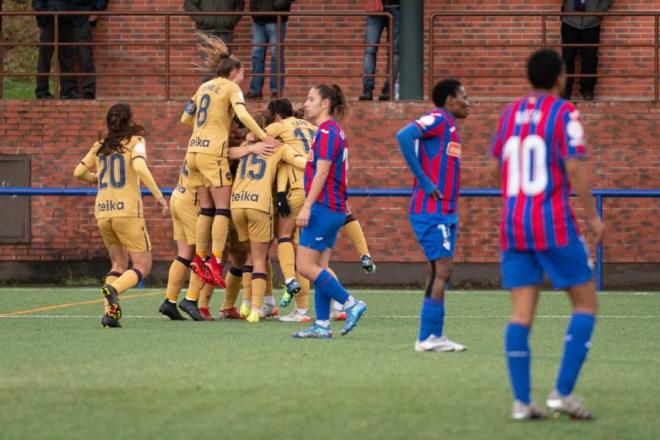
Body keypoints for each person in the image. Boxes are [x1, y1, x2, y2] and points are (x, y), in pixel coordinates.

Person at [489, 49, 604, 420]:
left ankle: (522, 403)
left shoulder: (509, 114)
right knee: (585, 304)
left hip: (513, 222)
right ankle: (562, 394)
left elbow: (494, 169)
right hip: (551, 221)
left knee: (521, 314)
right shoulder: (564, 112)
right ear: (560, 77)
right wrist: (593, 217)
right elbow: (575, 167)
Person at [181, 35, 279, 288]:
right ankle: (214, 262)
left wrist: (209, 124)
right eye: (242, 73)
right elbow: (243, 113)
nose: (243, 78)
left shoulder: (203, 87)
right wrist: (263, 135)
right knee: (222, 209)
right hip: (213, 152)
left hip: (193, 150)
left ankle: (200, 259)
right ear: (234, 72)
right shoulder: (230, 88)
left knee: (207, 209)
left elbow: (185, 119)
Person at [73, 103, 169, 328]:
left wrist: (97, 179)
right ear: (129, 120)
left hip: (103, 212)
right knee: (142, 266)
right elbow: (141, 168)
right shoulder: (135, 141)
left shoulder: (100, 145)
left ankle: (111, 313)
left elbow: (78, 172)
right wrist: (159, 198)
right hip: (127, 211)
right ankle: (114, 290)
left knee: (117, 263)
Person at [396, 79, 470, 354]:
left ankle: (433, 335)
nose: (468, 101)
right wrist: (425, 182)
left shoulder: (450, 126)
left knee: (437, 270)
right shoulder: (438, 118)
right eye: (464, 95)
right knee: (443, 270)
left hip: (446, 212)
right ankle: (426, 337)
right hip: (430, 212)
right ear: (450, 99)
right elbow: (404, 136)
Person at [292, 84, 367, 339]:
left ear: (325, 104)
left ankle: (350, 303)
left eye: (311, 98)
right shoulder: (334, 131)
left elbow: (322, 173)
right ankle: (322, 325)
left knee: (303, 266)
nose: (306, 103)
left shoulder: (326, 132)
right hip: (333, 208)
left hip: (324, 207)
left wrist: (307, 206)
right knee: (319, 266)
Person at [228, 110, 307, 323]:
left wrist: (249, 143)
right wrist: (323, 166)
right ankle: (255, 309)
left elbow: (227, 153)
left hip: (236, 204)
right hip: (259, 205)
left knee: (250, 256)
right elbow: (301, 162)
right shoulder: (279, 148)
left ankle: (246, 303)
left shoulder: (245, 146)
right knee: (260, 259)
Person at [561, 0, 614, 101]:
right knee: (567, 57)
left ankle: (587, 89)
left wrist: (599, 11)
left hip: (592, 22)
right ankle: (565, 90)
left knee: (591, 57)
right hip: (570, 20)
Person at [245, 0, 295, 99]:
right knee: (257, 55)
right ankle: (255, 91)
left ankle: (276, 91)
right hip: (258, 18)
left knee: (276, 55)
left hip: (276, 17)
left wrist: (278, 4)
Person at [185, 0, 245, 80]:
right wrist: (203, 19)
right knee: (208, 68)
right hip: (206, 31)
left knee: (225, 67)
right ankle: (208, 92)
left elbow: (239, 3)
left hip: (225, 31)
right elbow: (190, 3)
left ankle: (224, 92)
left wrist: (230, 20)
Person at [32, 0, 80, 99]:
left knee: (67, 57)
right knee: (45, 58)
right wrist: (45, 17)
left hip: (66, 22)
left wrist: (72, 16)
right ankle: (42, 91)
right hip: (49, 22)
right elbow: (37, 3)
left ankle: (68, 91)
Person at [358, 0, 399, 101]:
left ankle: (388, 89)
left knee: (395, 51)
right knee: (370, 50)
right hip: (375, 6)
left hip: (398, 7)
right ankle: (367, 89)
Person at [71, 0, 108, 99]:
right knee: (66, 54)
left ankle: (89, 90)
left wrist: (97, 9)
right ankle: (68, 90)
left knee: (85, 53)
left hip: (83, 15)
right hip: (64, 15)